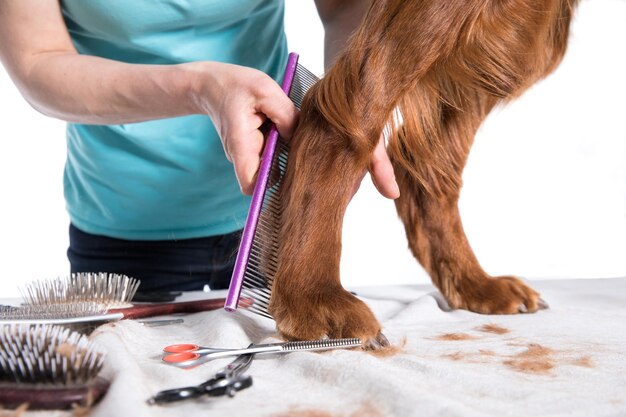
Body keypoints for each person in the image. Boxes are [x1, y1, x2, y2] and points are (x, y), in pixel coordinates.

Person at [0, 0, 398, 297]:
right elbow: (36, 62)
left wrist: (353, 93)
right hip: (124, 227)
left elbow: (344, 6)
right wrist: (201, 88)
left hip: (276, 215)